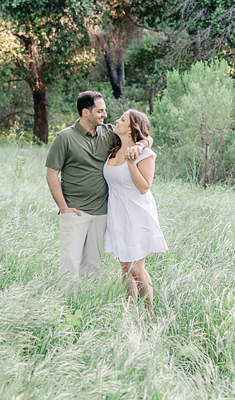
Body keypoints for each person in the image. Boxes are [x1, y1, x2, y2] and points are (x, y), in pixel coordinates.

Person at [45, 91, 141, 278]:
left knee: (93, 264)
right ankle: (65, 305)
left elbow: (140, 134)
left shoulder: (108, 132)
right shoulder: (64, 137)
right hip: (75, 211)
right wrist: (64, 207)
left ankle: (85, 305)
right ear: (85, 112)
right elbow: (51, 175)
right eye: (100, 111)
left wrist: (142, 145)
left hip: (101, 212)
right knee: (70, 262)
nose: (104, 115)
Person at [103, 109, 168, 308]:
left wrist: (131, 162)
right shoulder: (114, 149)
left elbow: (143, 187)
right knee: (125, 267)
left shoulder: (144, 154)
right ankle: (131, 313)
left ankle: (150, 315)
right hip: (117, 214)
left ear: (132, 129)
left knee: (136, 268)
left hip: (137, 214)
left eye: (122, 120)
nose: (117, 121)